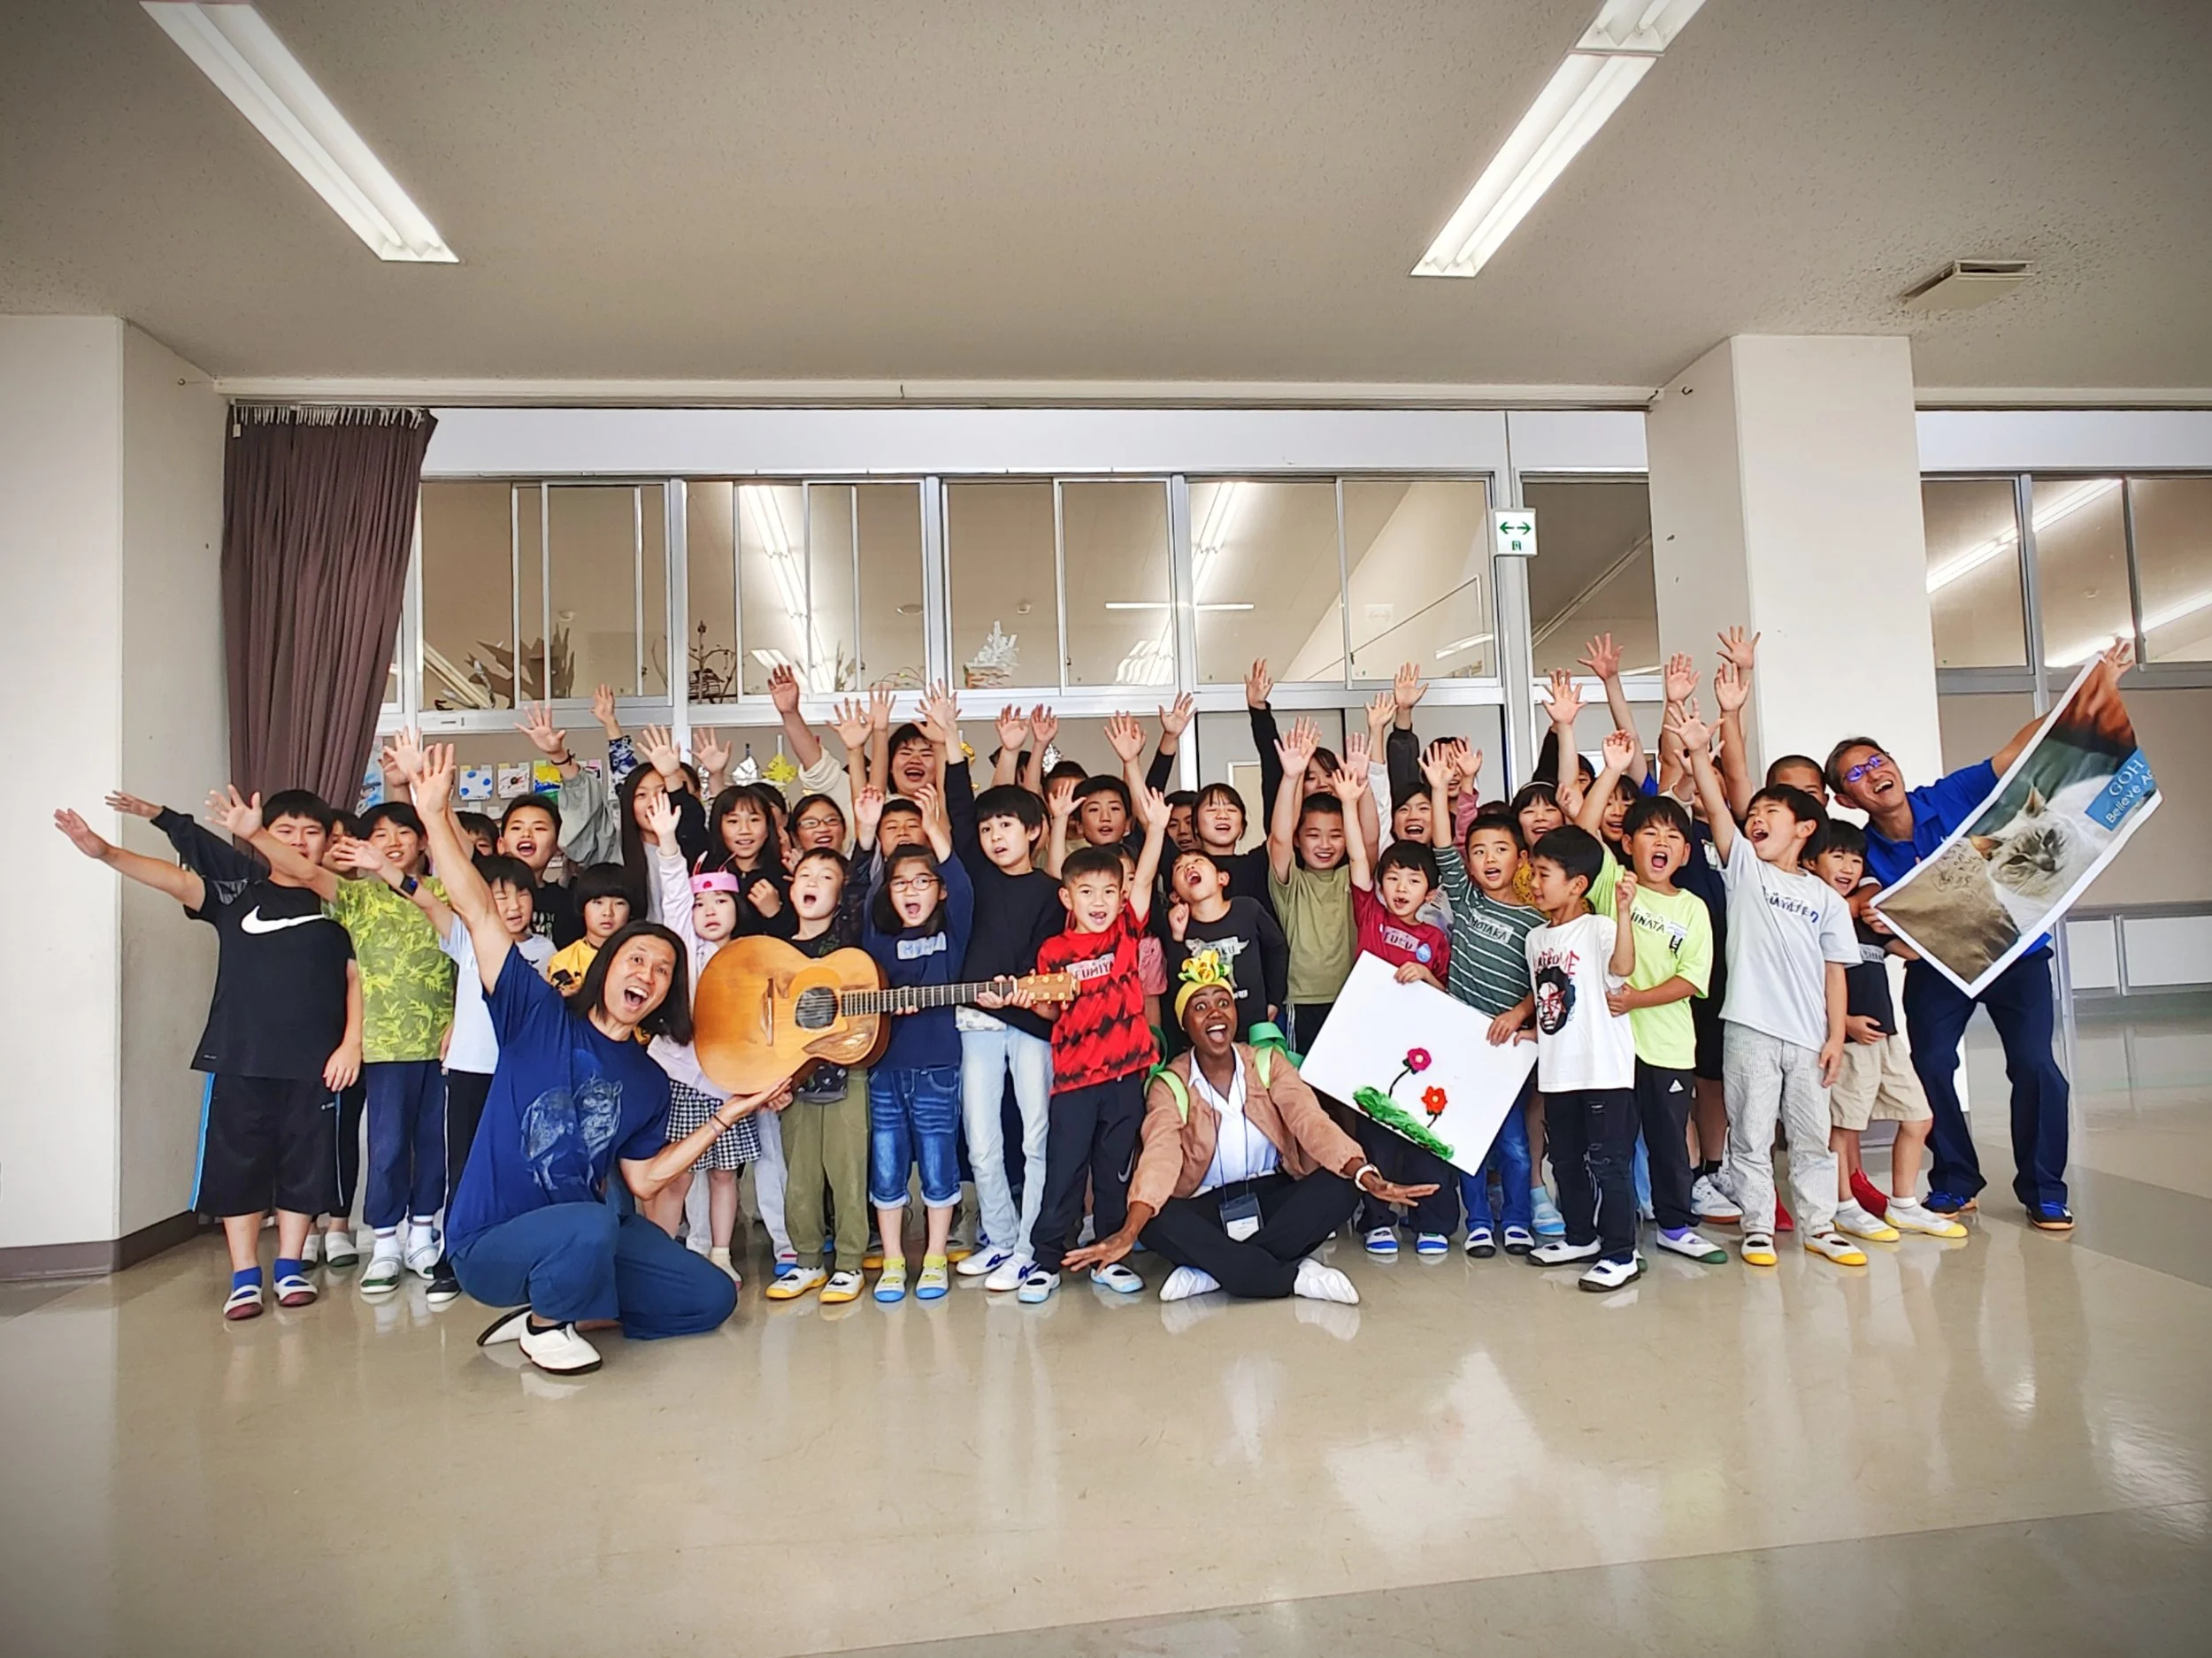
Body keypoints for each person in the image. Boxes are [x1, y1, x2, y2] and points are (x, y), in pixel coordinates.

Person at [407, 741, 785, 1378]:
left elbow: (645, 1180)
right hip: (491, 1244)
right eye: (636, 959)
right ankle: (546, 1323)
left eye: (663, 971)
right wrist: (433, 816)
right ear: (606, 966)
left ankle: (566, 1308)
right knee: (593, 1219)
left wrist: (730, 1114)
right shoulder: (536, 1015)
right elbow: (478, 911)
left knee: (710, 1296)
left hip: (585, 1237)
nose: (648, 974)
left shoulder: (648, 1078)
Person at [1825, 641, 2134, 1232]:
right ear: (1846, 798)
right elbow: (1860, 905)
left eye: (1878, 761)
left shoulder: (1953, 793)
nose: (1874, 774)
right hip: (1938, 968)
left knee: (2037, 1066)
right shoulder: (1861, 847)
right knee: (1931, 1063)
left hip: (2015, 954)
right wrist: (1884, 924)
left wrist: (2094, 688)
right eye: (1857, 775)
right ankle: (1956, 1180)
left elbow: (2023, 748)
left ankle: (2044, 1189)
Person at [57, 789, 361, 1320]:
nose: (298, 841)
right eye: (285, 831)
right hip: (238, 1057)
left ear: (327, 842)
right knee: (238, 1166)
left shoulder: (344, 905)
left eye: (311, 832)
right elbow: (172, 880)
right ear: (265, 837)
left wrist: (351, 1043)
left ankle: (290, 1266)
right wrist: (105, 852)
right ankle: (244, 1275)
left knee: (306, 1164)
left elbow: (359, 981)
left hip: (316, 1063)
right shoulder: (238, 894)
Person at [1068, 969, 1438, 1304]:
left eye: (1223, 1003)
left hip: (1272, 1196)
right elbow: (1160, 1154)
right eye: (1200, 1007)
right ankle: (1292, 1275)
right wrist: (1129, 1231)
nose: (1215, 1014)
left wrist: (1364, 1173)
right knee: (1155, 1220)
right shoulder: (1170, 1084)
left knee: (1343, 1186)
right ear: (1185, 1023)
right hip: (1206, 1205)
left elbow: (1310, 1120)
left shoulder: (1266, 1063)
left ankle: (1214, 1269)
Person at [1675, 704, 1863, 1270]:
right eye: (1753, 813)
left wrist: (1835, 1038)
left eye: (1770, 813)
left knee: (1811, 1137)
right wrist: (1697, 751)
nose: (1756, 819)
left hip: (1808, 1038)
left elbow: (1835, 972)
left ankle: (1819, 1226)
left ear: (1805, 829)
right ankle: (1757, 1225)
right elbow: (1717, 806)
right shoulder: (1744, 870)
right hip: (1749, 1031)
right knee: (1751, 1136)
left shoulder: (1827, 899)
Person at [265, 796, 457, 1300]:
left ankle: (423, 1235)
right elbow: (303, 869)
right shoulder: (353, 896)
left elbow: (469, 959)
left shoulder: (443, 892)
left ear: (423, 841)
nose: (392, 843)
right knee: (387, 1146)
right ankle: (386, 1241)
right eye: (380, 835)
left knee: (434, 1144)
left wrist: (458, 1021)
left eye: (404, 833)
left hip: (441, 1045)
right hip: (382, 1045)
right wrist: (254, 833)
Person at [1568, 731, 1731, 1267]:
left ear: (1685, 852)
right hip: (1612, 1048)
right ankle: (1614, 1234)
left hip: (1669, 1047)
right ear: (1628, 842)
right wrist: (1612, 770)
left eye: (1672, 836)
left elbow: (1692, 980)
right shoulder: (1613, 882)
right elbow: (1582, 832)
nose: (1660, 843)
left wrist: (1637, 1000)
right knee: (1610, 1148)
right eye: (1649, 833)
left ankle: (1676, 1226)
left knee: (1669, 1142)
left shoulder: (1692, 908)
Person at [380, 848, 556, 1306]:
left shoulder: (546, 952)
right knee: (464, 1166)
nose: (513, 906)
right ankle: (453, 1259)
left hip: (524, 1074)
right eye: (499, 896)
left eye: (521, 895)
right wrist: (384, 868)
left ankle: (522, 1256)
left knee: (526, 1166)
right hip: (471, 1070)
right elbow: (426, 900)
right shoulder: (466, 937)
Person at [1018, 788, 1173, 1304]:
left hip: (1126, 1078)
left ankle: (1111, 1257)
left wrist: (1156, 829)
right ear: (1068, 898)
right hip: (1074, 1082)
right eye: (1087, 892)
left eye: (1109, 892)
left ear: (1122, 897)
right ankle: (1045, 1261)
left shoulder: (1126, 932)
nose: (1100, 902)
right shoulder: (1054, 950)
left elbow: (1145, 879)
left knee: (1114, 1172)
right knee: (1064, 1172)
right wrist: (1028, 999)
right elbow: (1049, 1012)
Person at [1809, 823, 1968, 1241]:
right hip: (1848, 1042)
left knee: (1919, 1117)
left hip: (1889, 1040)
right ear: (1811, 862)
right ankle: (1843, 1206)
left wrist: (1903, 911)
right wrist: (1845, 1024)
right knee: (1844, 1128)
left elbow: (1914, 951)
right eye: (1837, 857)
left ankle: (1904, 1204)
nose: (1848, 867)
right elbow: (1802, 988)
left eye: (1855, 859)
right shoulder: (1814, 922)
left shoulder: (1866, 921)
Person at [1424, 748, 1545, 1258]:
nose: (1489, 859)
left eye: (1500, 849)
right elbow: (1441, 845)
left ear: (1521, 858)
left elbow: (1547, 982)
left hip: (1507, 1048)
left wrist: (1518, 1015)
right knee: (1465, 1139)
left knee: (1514, 1143)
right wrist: (1440, 790)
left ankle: (1516, 1219)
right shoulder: (1467, 899)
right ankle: (1476, 1221)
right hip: (1461, 1043)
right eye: (1478, 851)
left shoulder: (1538, 919)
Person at [1337, 767, 1459, 1260]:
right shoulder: (1370, 914)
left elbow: (1450, 997)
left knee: (1427, 1132)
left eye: (1412, 880)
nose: (1401, 887)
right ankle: (1379, 1219)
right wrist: (1350, 802)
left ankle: (1433, 1221)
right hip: (1373, 1047)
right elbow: (1357, 858)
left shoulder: (1436, 938)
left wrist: (1426, 976)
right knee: (1378, 1134)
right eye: (1392, 878)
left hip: (1424, 1052)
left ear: (1429, 892)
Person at [640, 790, 762, 1282]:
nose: (709, 911)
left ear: (738, 907)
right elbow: (673, 892)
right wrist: (668, 844)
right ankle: (659, 1257)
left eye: (721, 901)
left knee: (724, 1173)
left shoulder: (752, 956)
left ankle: (720, 1255)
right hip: (678, 1076)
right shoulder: (685, 948)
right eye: (700, 903)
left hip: (727, 1082)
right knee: (676, 1173)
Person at [946, 779, 1063, 1291]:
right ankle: (999, 1238)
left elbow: (1047, 959)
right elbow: (957, 808)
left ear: (1033, 831)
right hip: (976, 1020)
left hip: (1031, 1022)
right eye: (987, 828)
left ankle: (1029, 1248)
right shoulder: (974, 878)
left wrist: (1016, 992)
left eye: (1006, 825)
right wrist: (950, 745)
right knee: (980, 1137)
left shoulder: (1051, 891)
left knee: (1037, 1136)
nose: (995, 836)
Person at [860, 787, 974, 1304]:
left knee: (937, 1162)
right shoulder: (877, 935)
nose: (911, 890)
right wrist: (868, 834)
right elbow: (861, 890)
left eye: (923, 881)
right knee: (886, 1168)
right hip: (884, 1068)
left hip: (938, 1067)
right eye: (900, 882)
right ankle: (891, 1259)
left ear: (939, 891)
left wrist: (934, 829)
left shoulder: (953, 932)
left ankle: (933, 1257)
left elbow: (962, 885)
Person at [1521, 825, 1646, 1292]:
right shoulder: (1535, 939)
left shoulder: (1600, 928)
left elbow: (1622, 969)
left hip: (1603, 1071)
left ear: (1576, 885)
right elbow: (1546, 1002)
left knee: (1608, 1163)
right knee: (1565, 1160)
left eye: (1544, 874)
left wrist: (1625, 912)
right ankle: (1580, 1237)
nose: (1534, 883)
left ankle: (1621, 1253)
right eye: (1533, 872)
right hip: (1558, 1072)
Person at [763, 847, 872, 1305]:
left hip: (847, 1075)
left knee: (848, 1174)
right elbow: (762, 1021)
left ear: (841, 893)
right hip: (794, 1081)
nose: (812, 881)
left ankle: (849, 1263)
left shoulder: (850, 945)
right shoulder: (775, 950)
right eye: (804, 874)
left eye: (826, 876)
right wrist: (769, 1080)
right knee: (800, 1178)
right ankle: (807, 1259)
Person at [1266, 720, 1375, 1050]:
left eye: (1336, 835)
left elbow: (1369, 842)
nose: (1325, 844)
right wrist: (1291, 777)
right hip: (1300, 1001)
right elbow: (1279, 838)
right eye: (1313, 835)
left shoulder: (1350, 878)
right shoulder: (1291, 883)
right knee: (1302, 1079)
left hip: (1350, 996)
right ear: (1298, 840)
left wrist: (1361, 786)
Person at [1163, 848, 1287, 1046]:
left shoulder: (1248, 909)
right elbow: (1177, 986)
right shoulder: (1178, 927)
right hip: (1207, 1040)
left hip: (1255, 1029)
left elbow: (1277, 949)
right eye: (1179, 868)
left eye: (1198, 861)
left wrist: (1274, 1000)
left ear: (1222, 878)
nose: (1189, 867)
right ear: (1175, 896)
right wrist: (1177, 937)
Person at [545, 863, 632, 992]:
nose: (608, 912)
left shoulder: (638, 957)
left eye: (619, 904)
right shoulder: (564, 960)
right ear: (583, 907)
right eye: (598, 903)